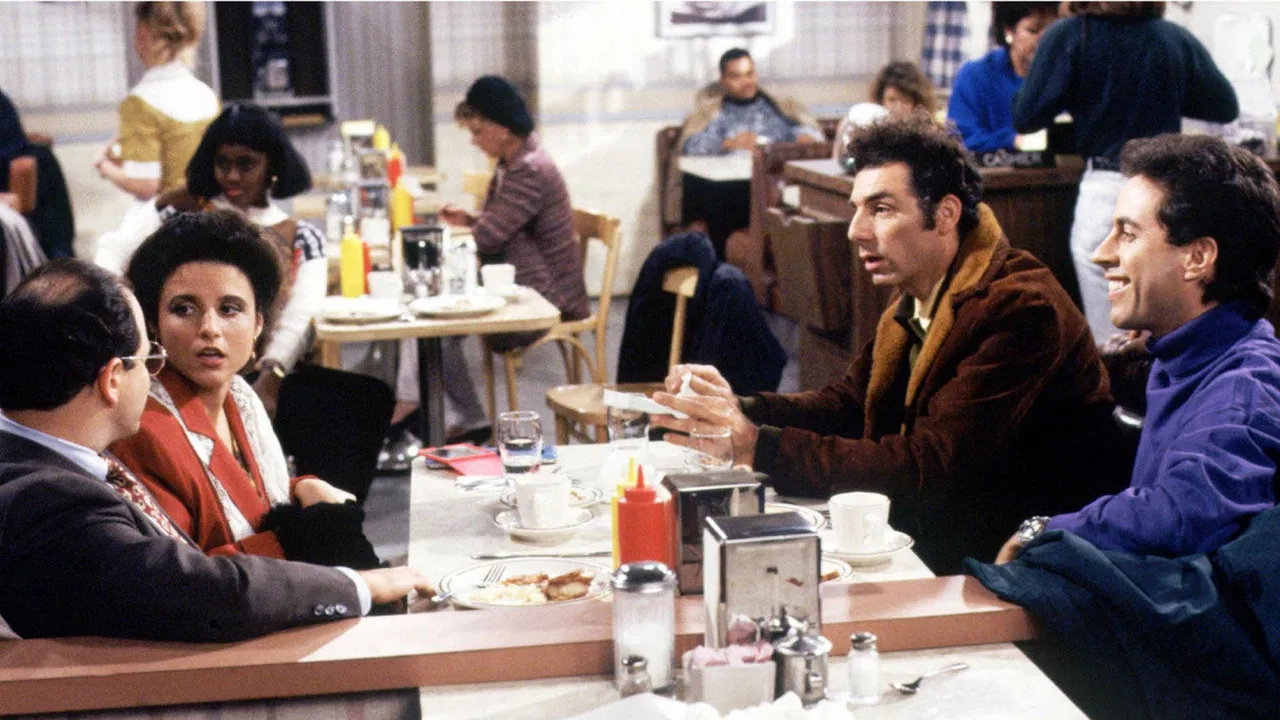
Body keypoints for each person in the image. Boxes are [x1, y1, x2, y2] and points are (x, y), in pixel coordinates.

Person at [653, 115, 1126, 573]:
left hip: (1009, 564)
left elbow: (928, 465)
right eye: (858, 208)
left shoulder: (1021, 308)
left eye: (881, 209)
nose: (856, 230)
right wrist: (736, 408)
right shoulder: (924, 291)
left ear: (945, 214)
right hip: (939, 538)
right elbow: (849, 404)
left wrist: (758, 446)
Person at [0, 259, 431, 641]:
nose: (153, 377)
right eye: (148, 360)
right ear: (113, 379)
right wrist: (360, 586)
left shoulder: (44, 463)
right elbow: (204, 591)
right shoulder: (50, 499)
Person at [996, 134, 1280, 563]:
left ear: (1198, 258)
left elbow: (1180, 513)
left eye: (1127, 234)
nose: (1101, 254)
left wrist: (1043, 532)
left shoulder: (1244, 392)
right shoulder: (1182, 353)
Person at [109, 211, 378, 570]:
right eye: (184, 309)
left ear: (258, 324)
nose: (209, 328)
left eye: (230, 309)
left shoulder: (240, 396)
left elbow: (251, 498)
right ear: (154, 324)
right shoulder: (144, 431)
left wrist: (302, 487)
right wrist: (299, 535)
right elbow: (180, 575)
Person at [1013, 1, 1238, 345]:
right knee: (1167, 336)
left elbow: (1026, 115)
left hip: (1106, 193)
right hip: (1168, 198)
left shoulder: (1071, 34)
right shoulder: (1173, 37)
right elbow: (1223, 106)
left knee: (1112, 341)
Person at [388, 75, 591, 451]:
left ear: (503, 128)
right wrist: (470, 220)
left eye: (478, 131)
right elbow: (500, 226)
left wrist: (469, 229)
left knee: (437, 330)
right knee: (432, 326)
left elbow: (489, 238)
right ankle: (458, 417)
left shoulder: (529, 169)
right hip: (522, 283)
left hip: (546, 298)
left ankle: (459, 417)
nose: (474, 140)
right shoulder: (513, 162)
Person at [162, 103, 324, 416]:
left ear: (272, 166)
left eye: (246, 165)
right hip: (188, 375)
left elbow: (302, 316)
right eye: (222, 164)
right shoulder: (182, 220)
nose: (232, 176)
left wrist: (272, 376)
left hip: (269, 375)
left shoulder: (303, 236)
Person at [94, 2, 218, 201]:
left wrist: (104, 166)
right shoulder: (208, 96)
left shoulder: (140, 103)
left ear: (142, 33)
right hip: (208, 207)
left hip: (166, 212)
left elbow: (146, 185)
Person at [948, 3, 1058, 153]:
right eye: (1033, 31)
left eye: (1053, 31)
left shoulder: (1067, 75)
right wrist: (1013, 141)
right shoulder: (975, 76)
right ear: (1009, 31)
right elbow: (958, 139)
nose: (1044, 40)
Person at [681, 48, 824, 157]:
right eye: (736, 76)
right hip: (732, 179)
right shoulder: (714, 111)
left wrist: (804, 137)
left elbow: (807, 131)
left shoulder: (775, 105)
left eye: (749, 74)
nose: (746, 82)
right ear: (723, 80)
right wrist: (728, 143)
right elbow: (691, 147)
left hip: (776, 175)